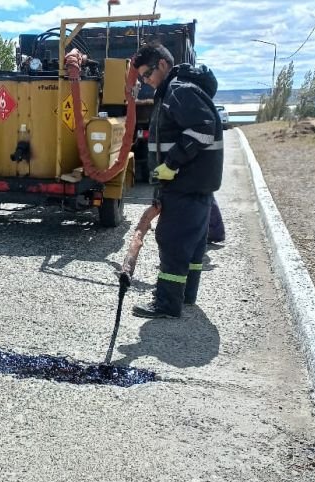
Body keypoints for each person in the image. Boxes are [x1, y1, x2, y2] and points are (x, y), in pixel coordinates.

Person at [128, 45, 224, 318]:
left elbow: (203, 128)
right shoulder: (179, 90)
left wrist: (170, 165)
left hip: (185, 183)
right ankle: (186, 296)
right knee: (192, 246)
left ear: (161, 64)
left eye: (146, 74)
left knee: (172, 242)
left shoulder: (179, 91)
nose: (145, 81)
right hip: (195, 185)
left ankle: (167, 305)